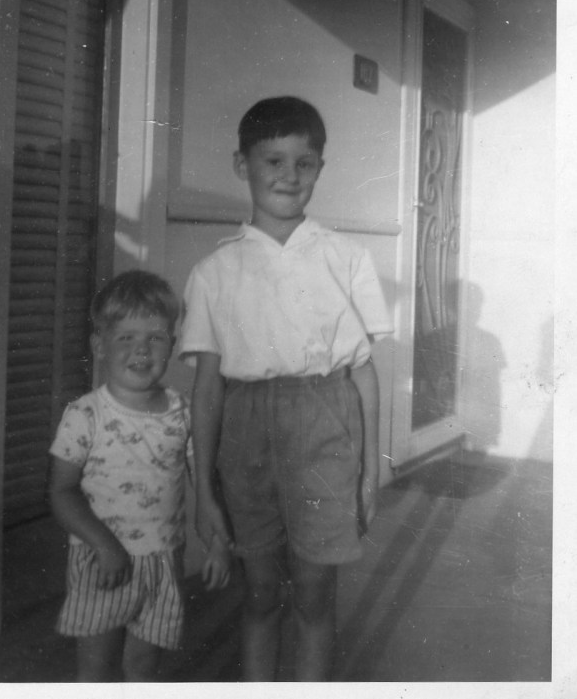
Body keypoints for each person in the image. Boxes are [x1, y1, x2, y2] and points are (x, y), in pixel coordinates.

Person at [179, 96, 389, 681]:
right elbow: (207, 391)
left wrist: (371, 469)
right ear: (241, 165)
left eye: (304, 163)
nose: (289, 176)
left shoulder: (346, 257)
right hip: (245, 433)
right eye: (273, 161)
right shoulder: (214, 273)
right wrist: (203, 492)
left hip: (325, 424)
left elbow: (363, 372)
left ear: (320, 168)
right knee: (259, 593)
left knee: (316, 595)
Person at [49, 270, 230, 682]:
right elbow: (61, 492)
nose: (142, 350)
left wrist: (219, 544)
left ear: (173, 345)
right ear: (99, 345)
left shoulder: (182, 412)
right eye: (126, 337)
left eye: (156, 337)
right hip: (102, 559)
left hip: (164, 562)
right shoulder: (85, 415)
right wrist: (104, 544)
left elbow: (205, 483)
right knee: (96, 670)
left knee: (144, 668)